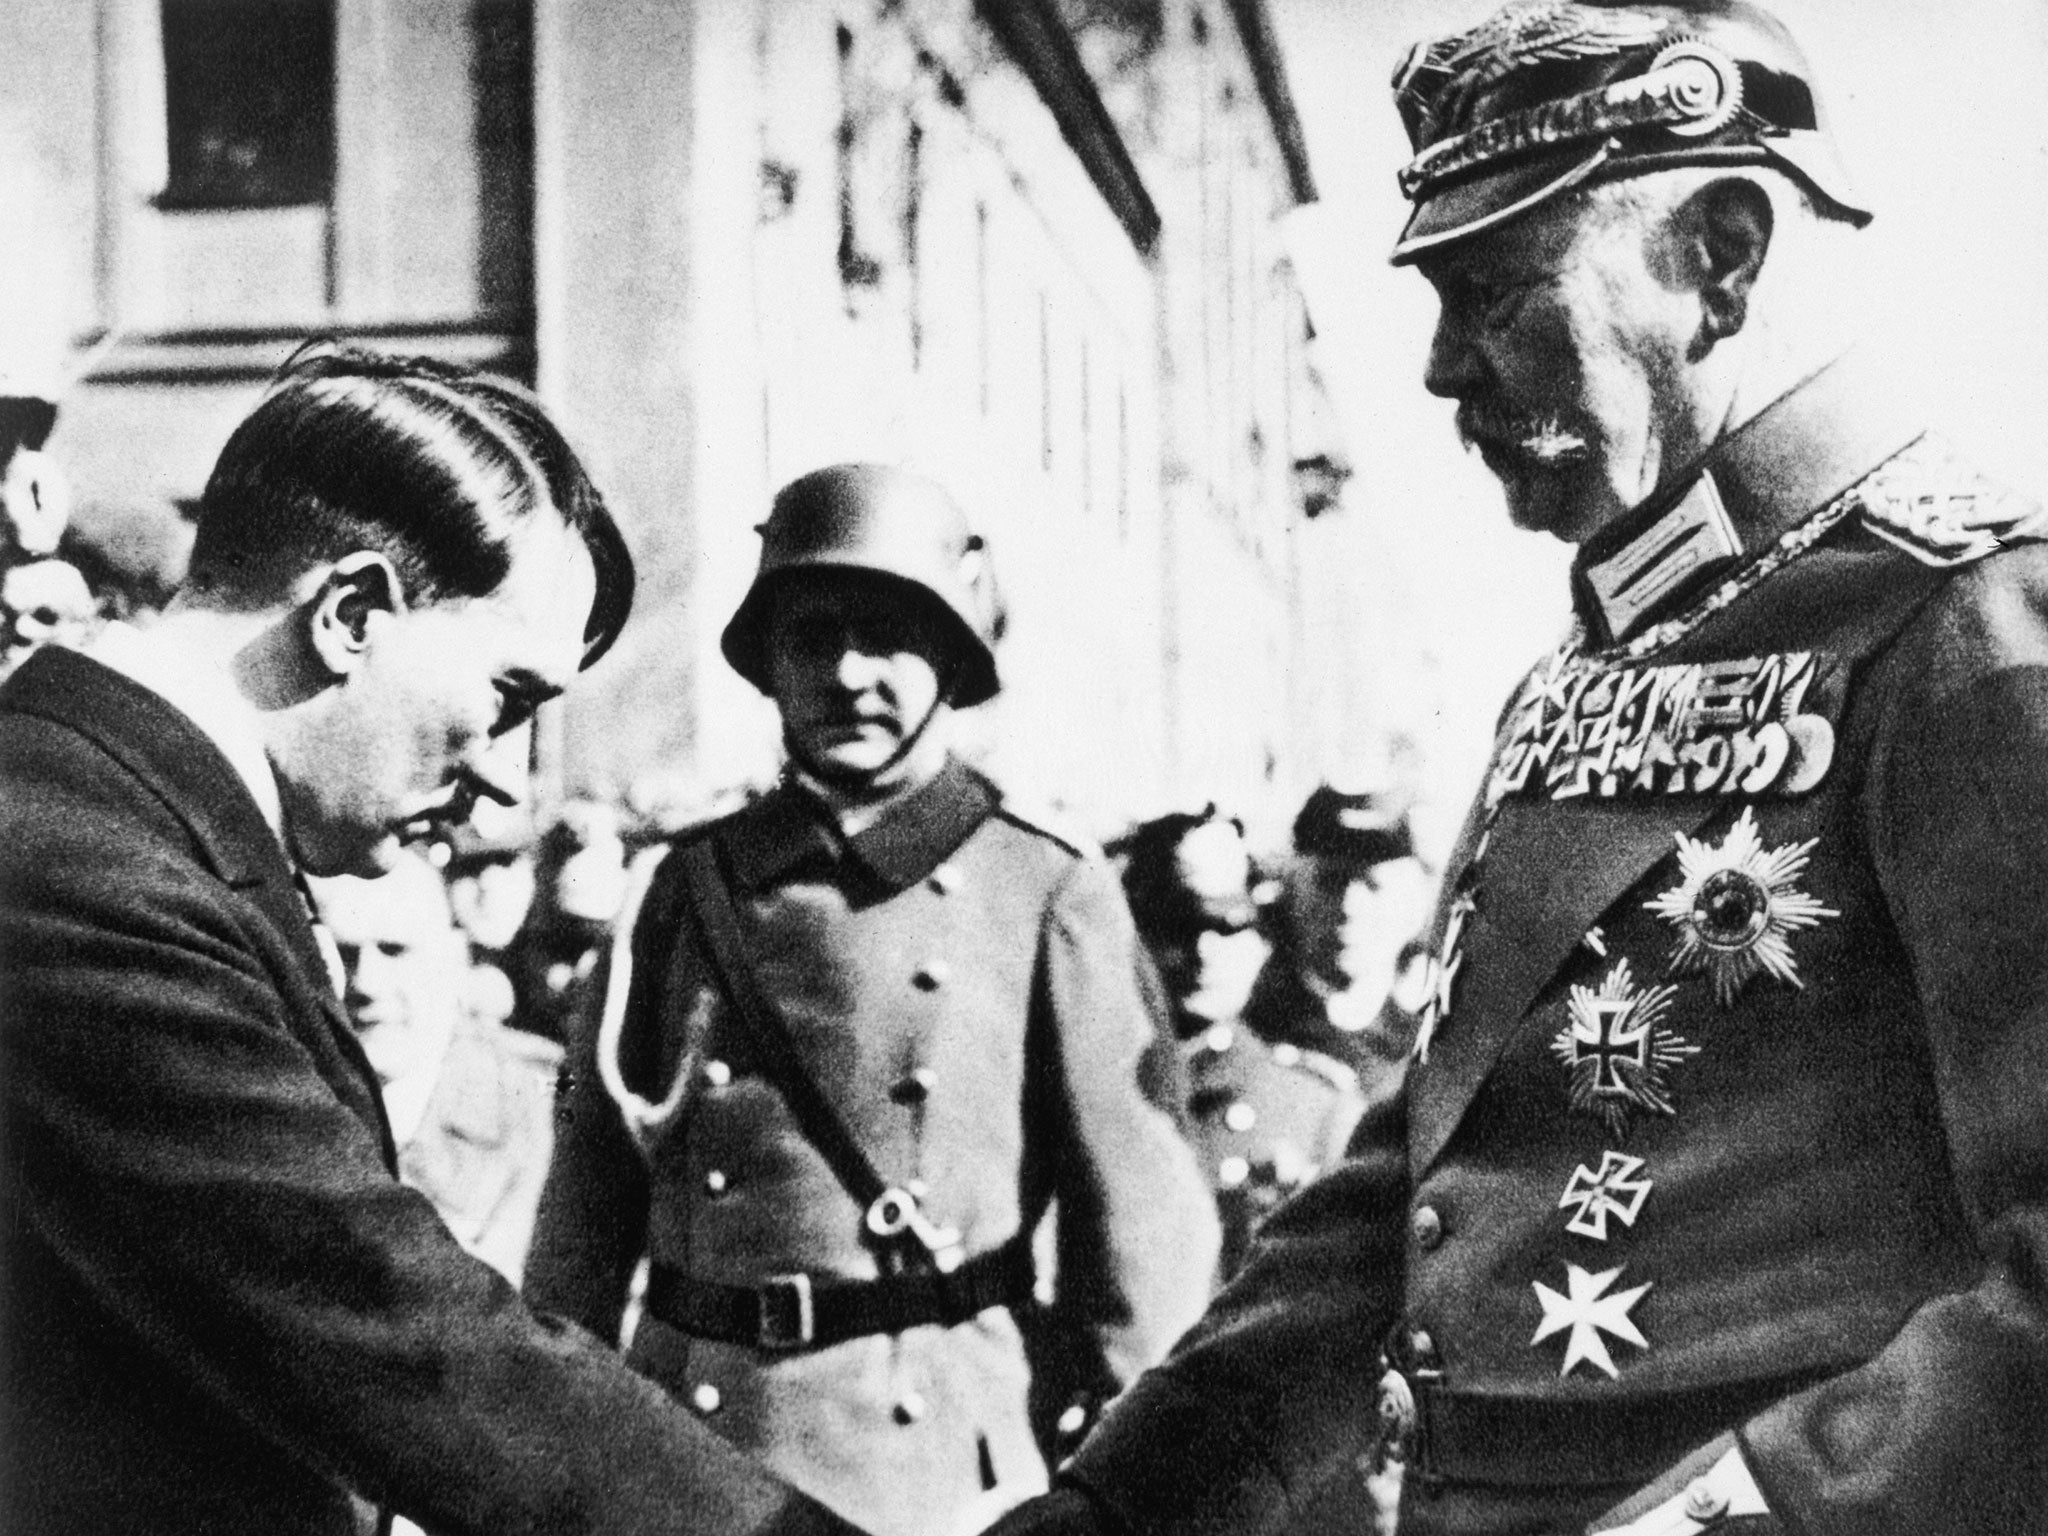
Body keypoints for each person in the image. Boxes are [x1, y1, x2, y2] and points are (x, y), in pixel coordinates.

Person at [987, 3, 2048, 1534]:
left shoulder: (1961, 627)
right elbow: (1419, 1188)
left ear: (1723, 257)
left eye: (1495, 290)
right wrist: (1118, 1507)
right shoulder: (1583, 666)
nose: (1438, 370)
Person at [0, 345, 857, 1536]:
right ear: (352, 614)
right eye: (506, 703)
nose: (508, 786)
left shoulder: (111, 817)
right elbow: (384, 1328)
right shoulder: (81, 868)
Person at [526, 462, 1219, 1536]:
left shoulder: (1041, 884)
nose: (847, 673)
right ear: (768, 667)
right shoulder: (678, 887)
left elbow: (1143, 1242)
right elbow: (583, 1211)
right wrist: (548, 1458)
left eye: (887, 636)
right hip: (692, 1453)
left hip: (941, 1470)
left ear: (951, 657)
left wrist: (1120, 1489)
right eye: (811, 639)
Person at [1119, 807, 1367, 1285]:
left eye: (1230, 928)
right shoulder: (1086, 1088)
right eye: (1178, 927)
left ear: (1264, 941)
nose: (1203, 953)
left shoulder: (1318, 1111)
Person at [311, 851, 561, 1286]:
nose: (365, 982)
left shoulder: (540, 1104)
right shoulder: (282, 1091)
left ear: (455, 958)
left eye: (395, 950)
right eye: (344, 953)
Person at [1243, 784, 1434, 1107]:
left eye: (1374, 885)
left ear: (1419, 902)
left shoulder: (1434, 1044)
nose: (1349, 905)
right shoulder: (1255, 1028)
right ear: (1294, 888)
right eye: (1330, 881)